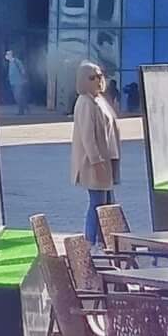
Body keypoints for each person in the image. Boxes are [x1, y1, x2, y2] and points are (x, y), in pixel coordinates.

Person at [69, 61, 123, 246]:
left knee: (107, 204)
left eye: (100, 76)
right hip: (94, 163)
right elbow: (87, 137)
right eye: (92, 77)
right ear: (83, 80)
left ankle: (104, 241)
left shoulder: (98, 99)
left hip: (106, 161)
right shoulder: (85, 102)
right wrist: (97, 162)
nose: (98, 80)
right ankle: (90, 243)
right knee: (97, 204)